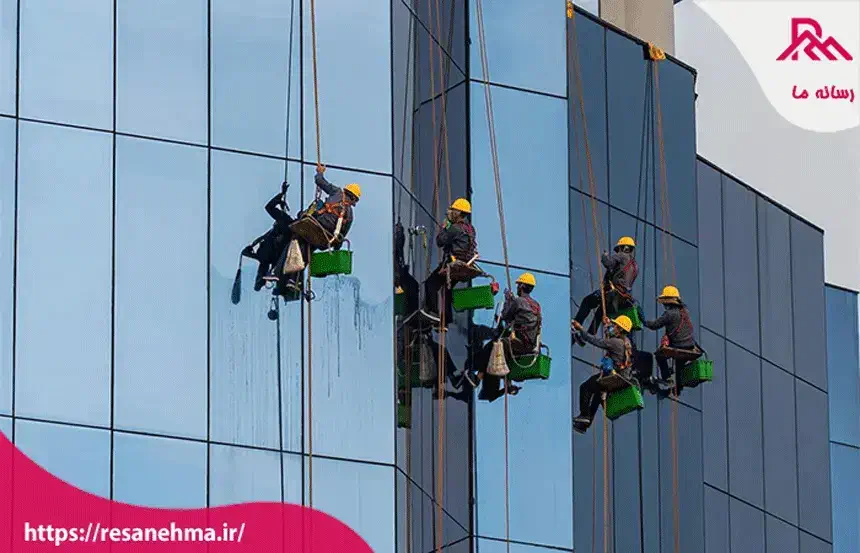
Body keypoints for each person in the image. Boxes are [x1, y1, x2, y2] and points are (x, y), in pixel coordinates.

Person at [469, 273, 542, 400]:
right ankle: (506, 384)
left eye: (519, 285)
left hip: (521, 343)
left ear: (522, 286)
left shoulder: (518, 301)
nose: (517, 287)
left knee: (493, 346)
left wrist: (509, 301)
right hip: (529, 344)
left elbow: (505, 316)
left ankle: (478, 378)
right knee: (502, 350)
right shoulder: (535, 305)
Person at [418, 198, 477, 328]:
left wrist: (445, 227)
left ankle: (433, 313)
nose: (451, 212)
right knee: (446, 289)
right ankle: (446, 319)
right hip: (465, 264)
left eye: (453, 210)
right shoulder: (470, 229)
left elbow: (440, 241)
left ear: (459, 213)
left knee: (431, 284)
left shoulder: (455, 228)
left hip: (454, 263)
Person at [572, 315, 635, 433]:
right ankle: (585, 424)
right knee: (597, 394)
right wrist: (608, 324)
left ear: (620, 329)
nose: (614, 327)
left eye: (616, 326)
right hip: (621, 377)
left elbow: (594, 341)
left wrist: (580, 328)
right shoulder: (626, 342)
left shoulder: (615, 342)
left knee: (585, 387)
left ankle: (585, 415)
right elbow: (611, 337)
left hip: (613, 377)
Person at [572, 236, 639, 343]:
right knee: (599, 314)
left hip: (612, 292)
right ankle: (586, 338)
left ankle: (575, 325)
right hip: (621, 298)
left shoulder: (622, 256)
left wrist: (605, 256)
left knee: (587, 301)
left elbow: (608, 263)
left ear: (623, 248)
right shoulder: (635, 265)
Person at [642, 285, 699, 390]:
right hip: (689, 345)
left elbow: (654, 325)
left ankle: (667, 378)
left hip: (679, 345)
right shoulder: (684, 312)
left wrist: (644, 321)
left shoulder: (670, 314)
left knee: (659, 356)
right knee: (679, 364)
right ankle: (678, 384)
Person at [240, 182, 295, 291]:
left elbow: (269, 207)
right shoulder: (288, 225)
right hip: (276, 255)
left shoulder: (284, 221)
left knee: (264, 261)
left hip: (271, 253)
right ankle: (265, 280)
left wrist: (281, 194)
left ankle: (262, 280)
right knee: (265, 261)